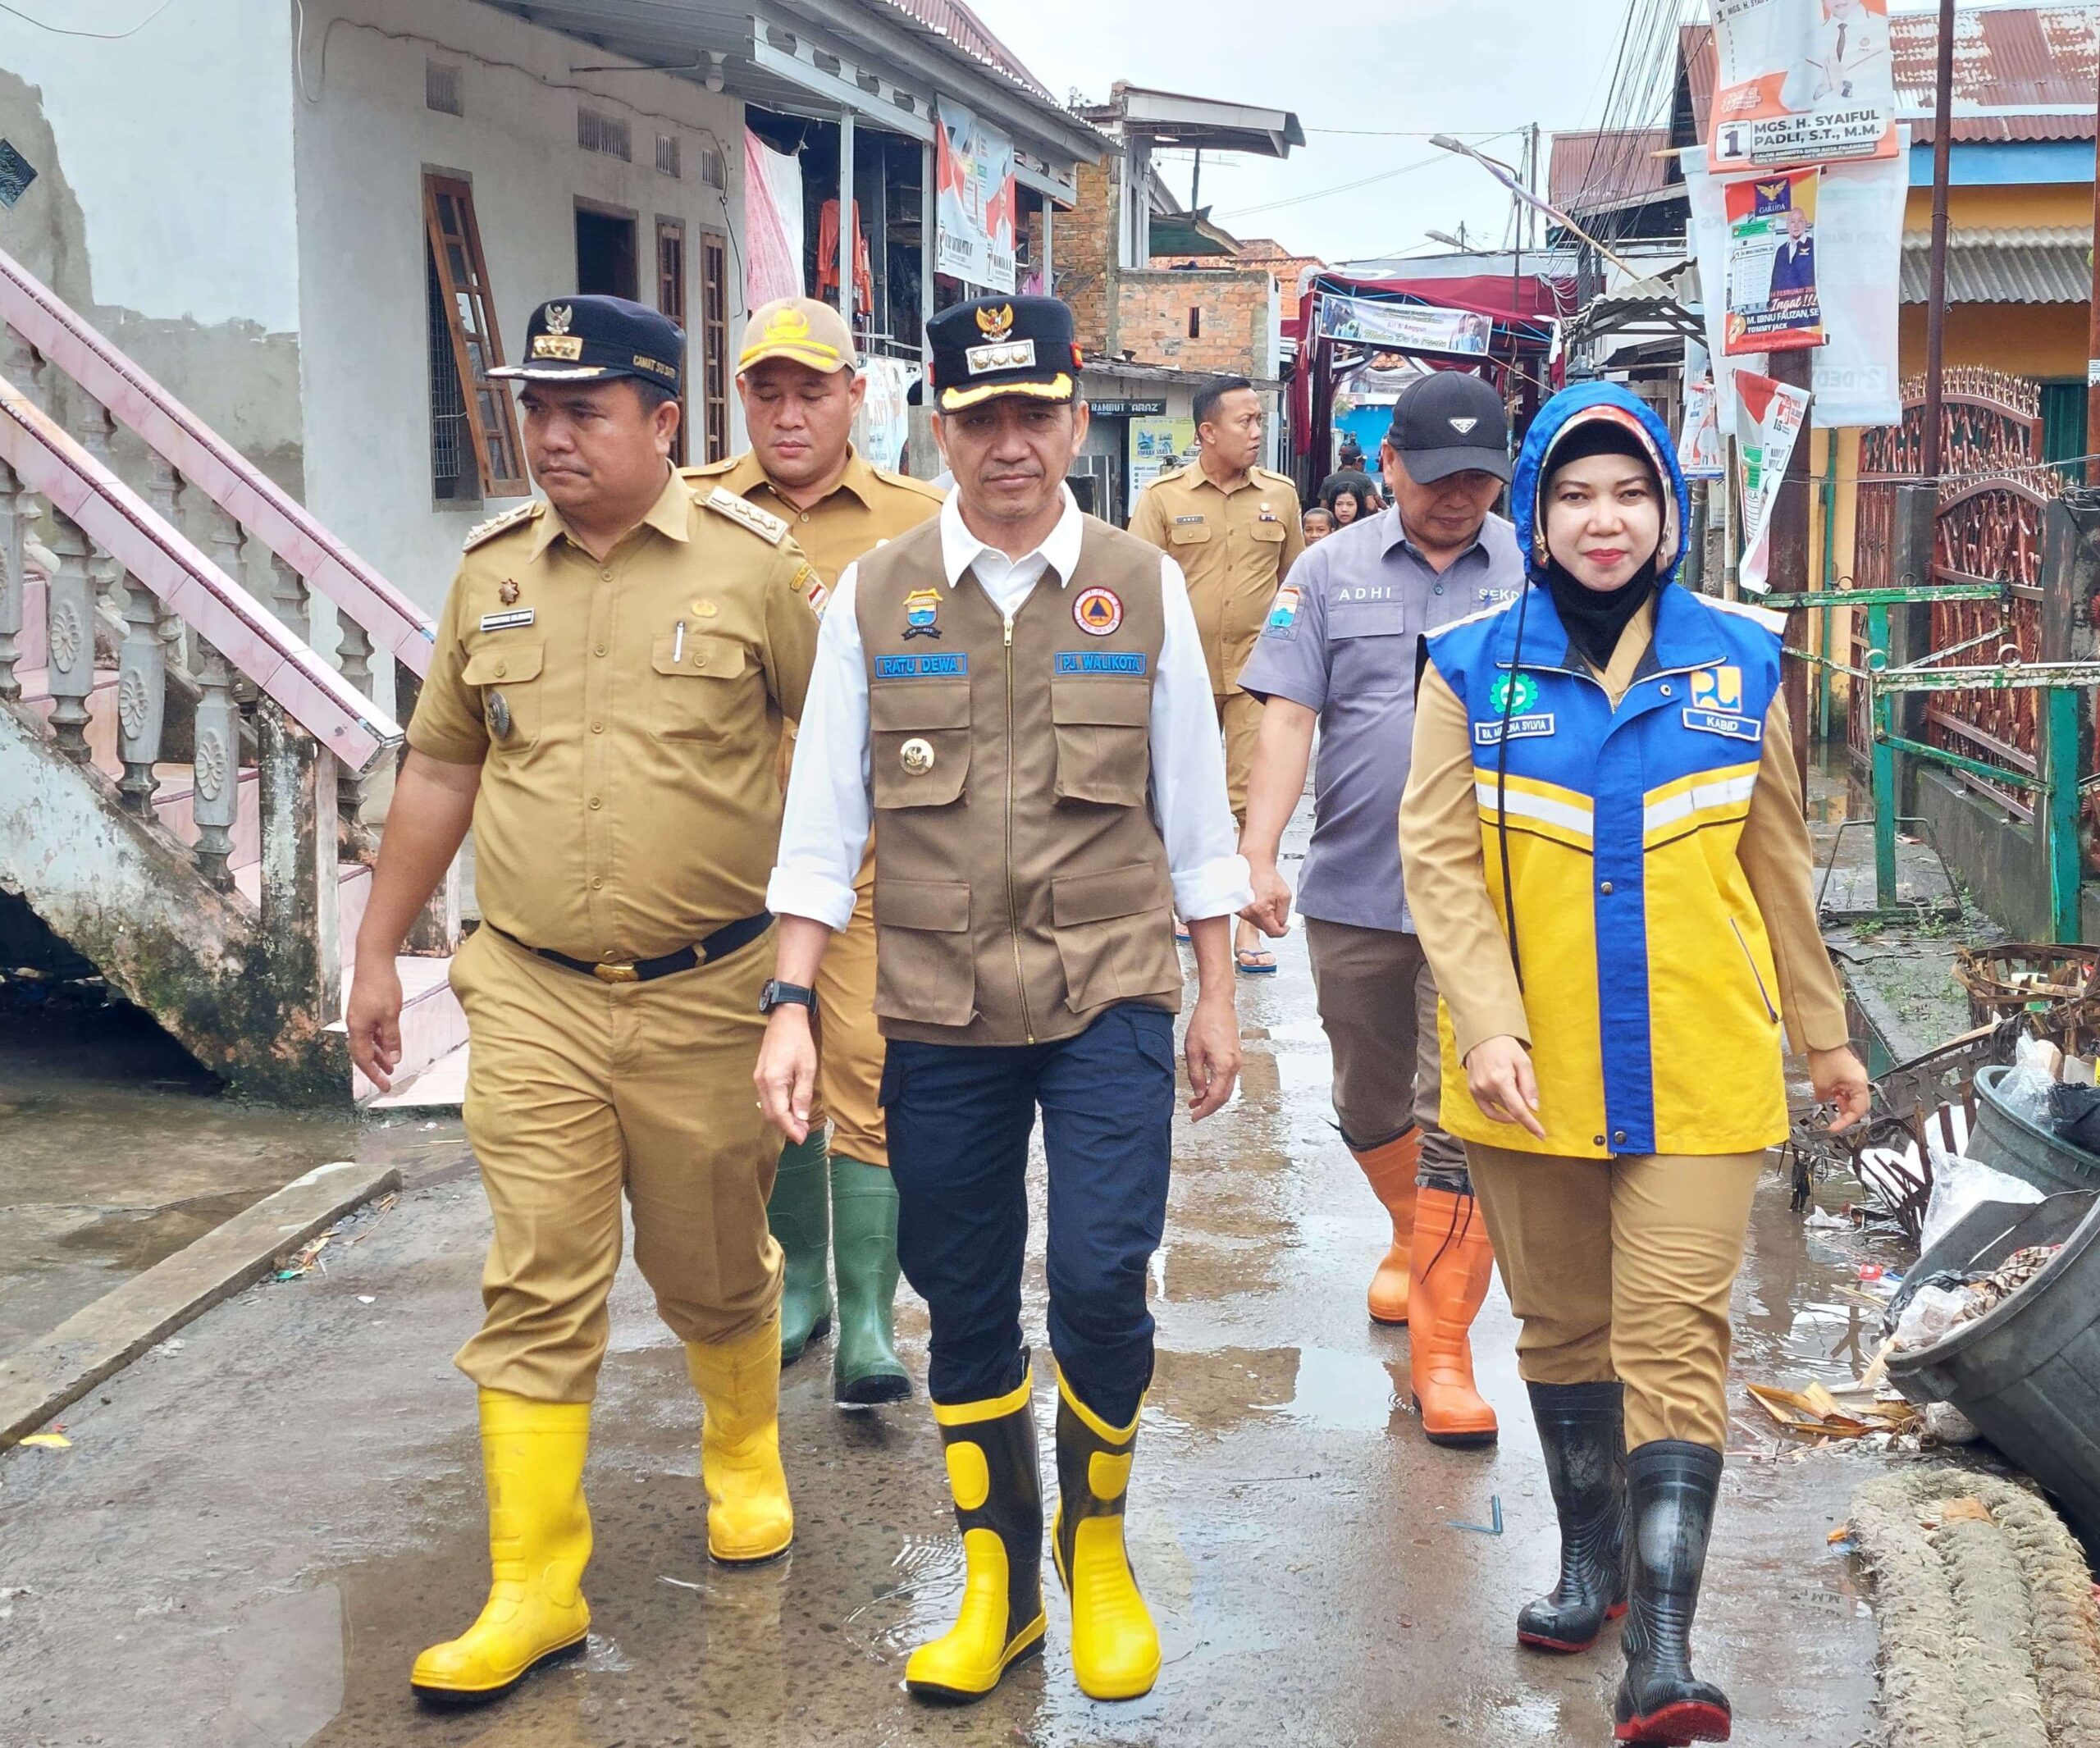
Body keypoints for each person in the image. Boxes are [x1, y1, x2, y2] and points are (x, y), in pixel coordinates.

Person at [756, 294, 1248, 1706]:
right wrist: (791, 1003)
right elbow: (820, 823)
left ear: (1076, 421)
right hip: (937, 1007)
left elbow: (1196, 815)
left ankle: (1099, 1548)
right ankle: (1000, 1581)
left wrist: (1214, 994)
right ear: (941, 428)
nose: (1009, 446)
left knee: (1100, 1277)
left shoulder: (1138, 585)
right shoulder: (876, 595)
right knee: (960, 1297)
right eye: (981, 418)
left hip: (1109, 998)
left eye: (1036, 414)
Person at [344, 295, 823, 1706]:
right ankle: (532, 1585)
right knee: (538, 1276)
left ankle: (740, 1449)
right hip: (536, 991)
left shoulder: (755, 574)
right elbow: (440, 768)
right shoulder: (490, 574)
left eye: (586, 411)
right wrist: (380, 951)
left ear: (665, 422)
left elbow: (840, 757)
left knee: (707, 1267)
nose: (551, 436)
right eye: (538, 410)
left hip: (709, 994)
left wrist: (820, 970)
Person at [1398, 381, 1869, 1744]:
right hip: (1525, 1069)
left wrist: (1824, 1036)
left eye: (1631, 495)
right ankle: (1592, 1563)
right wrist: (1486, 1019)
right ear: (1537, 516)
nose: (1605, 522)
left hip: (1701, 1060)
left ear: (1669, 512)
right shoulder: (1468, 664)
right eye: (1576, 495)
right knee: (1561, 1329)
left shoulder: (1745, 663)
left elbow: (1779, 870)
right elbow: (1435, 862)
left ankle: (1662, 1651)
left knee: (1675, 1338)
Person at [1239, 370, 1522, 1446]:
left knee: (1469, 1119)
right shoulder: (1325, 572)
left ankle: (1441, 1353)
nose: (1458, 498)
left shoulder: (1536, 577)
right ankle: (1415, 1230)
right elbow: (1287, 721)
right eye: (1438, 475)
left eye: (1480, 479)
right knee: (1370, 1099)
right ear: (1391, 463)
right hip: (1357, 885)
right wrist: (1257, 851)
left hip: (1498, 904)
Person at [685, 297, 944, 1406]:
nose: (789, 415)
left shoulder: (922, 519)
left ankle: (873, 1319)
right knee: (764, 1084)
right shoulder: (689, 510)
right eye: (767, 391)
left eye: (812, 390)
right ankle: (797, 1288)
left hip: (880, 853)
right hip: (729, 858)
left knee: (874, 1077)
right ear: (742, 397)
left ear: (855, 394)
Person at [1128, 375, 1303, 975]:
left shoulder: (1279, 496)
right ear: (1207, 432)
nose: (1257, 432)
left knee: (1252, 804)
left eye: (1260, 421)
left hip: (1259, 675)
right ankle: (1189, 903)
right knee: (1180, 794)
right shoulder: (1163, 499)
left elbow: (1294, 584)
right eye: (1244, 422)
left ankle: (1248, 928)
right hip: (1184, 677)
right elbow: (1138, 588)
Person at [1767, 204, 1816, 299]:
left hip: (1808, 305)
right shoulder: (1781, 251)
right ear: (1787, 226)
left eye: (1800, 221)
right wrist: (1771, 304)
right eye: (1793, 222)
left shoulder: (1814, 245)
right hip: (1784, 307)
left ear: (1806, 224)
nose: (1796, 225)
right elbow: (1775, 281)